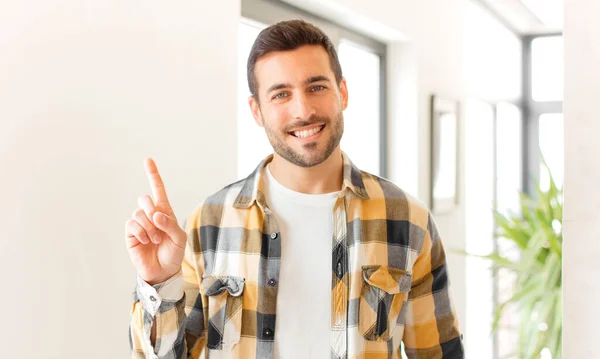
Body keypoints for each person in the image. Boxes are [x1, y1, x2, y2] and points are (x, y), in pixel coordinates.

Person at [126, 19, 464, 359]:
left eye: (317, 87)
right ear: (257, 111)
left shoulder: (408, 220)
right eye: (281, 94)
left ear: (342, 92)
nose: (303, 110)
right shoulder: (208, 223)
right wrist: (160, 283)